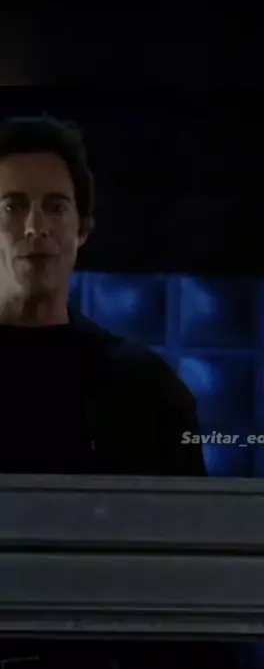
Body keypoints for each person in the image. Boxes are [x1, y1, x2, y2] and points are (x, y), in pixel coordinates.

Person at [0, 114, 206, 476]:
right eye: (12, 207)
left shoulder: (145, 387)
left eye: (56, 207)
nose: (35, 227)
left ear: (82, 229)